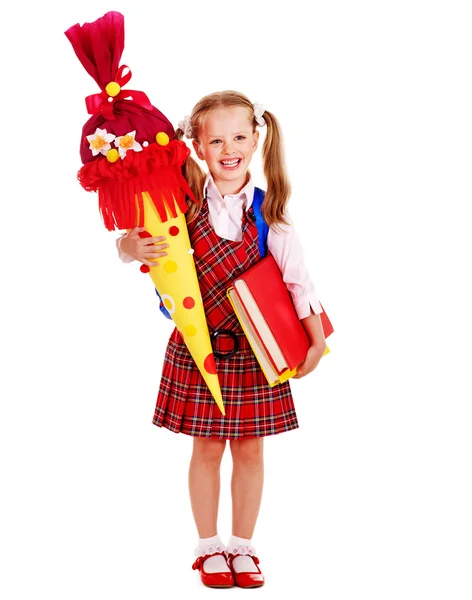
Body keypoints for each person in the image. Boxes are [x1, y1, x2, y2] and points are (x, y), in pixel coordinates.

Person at [117, 90, 327, 588]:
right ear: (197, 146)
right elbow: (133, 242)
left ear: (256, 141)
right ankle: (209, 547)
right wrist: (129, 245)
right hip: (198, 349)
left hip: (257, 351)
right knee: (207, 447)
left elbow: (299, 284)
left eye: (238, 137)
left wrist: (316, 342)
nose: (228, 148)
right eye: (215, 139)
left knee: (251, 449)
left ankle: (244, 548)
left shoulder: (269, 212)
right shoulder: (179, 202)